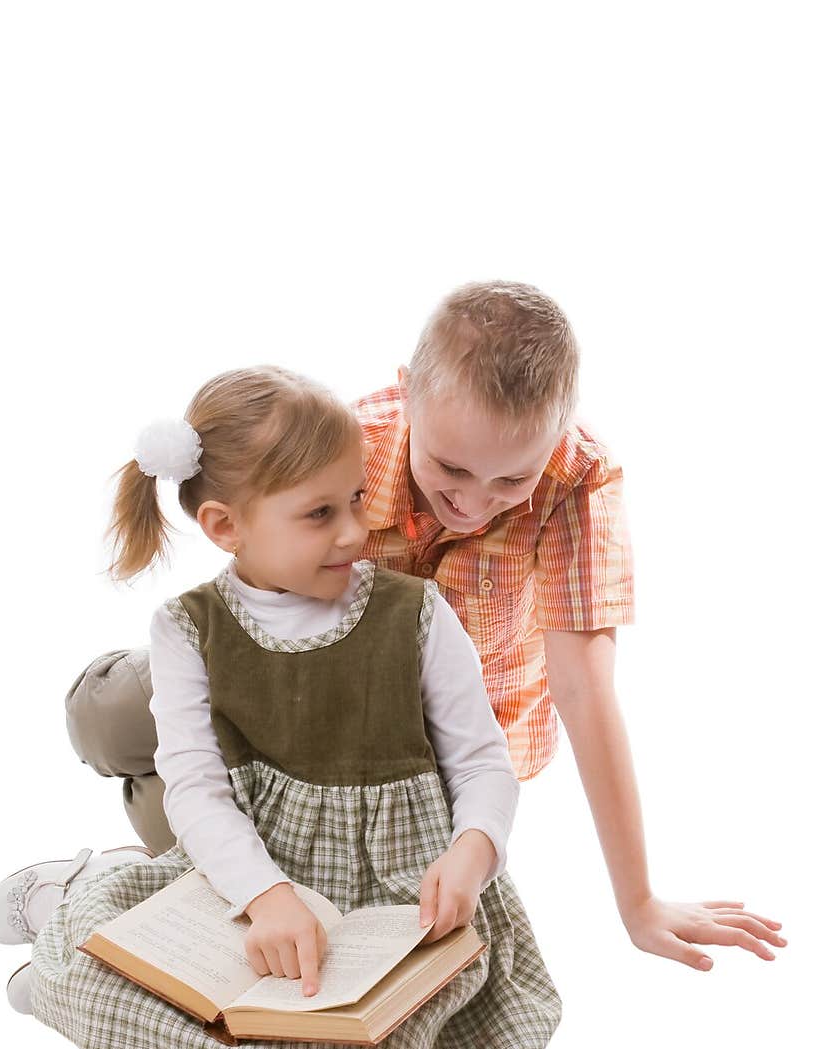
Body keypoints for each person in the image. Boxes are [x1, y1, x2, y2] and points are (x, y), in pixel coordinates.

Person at [64, 280, 786, 972]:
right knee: (125, 723)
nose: (474, 502)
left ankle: (139, 885)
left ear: (556, 437)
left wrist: (639, 903)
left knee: (294, 900)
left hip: (420, 752)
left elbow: (585, 691)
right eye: (450, 466)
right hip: (286, 686)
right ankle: (155, 849)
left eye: (511, 480)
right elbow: (252, 564)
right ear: (409, 392)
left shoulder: (580, 481)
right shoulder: (347, 442)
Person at [0, 365, 562, 1049]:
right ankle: (78, 906)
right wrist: (267, 896)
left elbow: (484, 763)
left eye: (357, 499)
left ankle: (82, 928)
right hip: (260, 876)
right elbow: (194, 789)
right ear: (226, 527)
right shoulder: (188, 627)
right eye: (320, 513)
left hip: (392, 892)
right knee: (135, 992)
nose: (356, 532)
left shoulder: (415, 614)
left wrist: (472, 851)